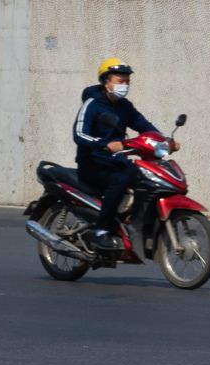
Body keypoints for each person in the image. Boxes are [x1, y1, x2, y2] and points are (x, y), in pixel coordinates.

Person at [73, 57, 179, 250]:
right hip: (93, 163)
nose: (125, 85)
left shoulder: (124, 106)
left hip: (116, 161)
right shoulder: (92, 104)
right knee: (119, 180)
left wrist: (165, 141)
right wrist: (105, 145)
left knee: (147, 179)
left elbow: (143, 125)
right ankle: (101, 231)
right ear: (106, 82)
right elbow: (79, 134)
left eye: (127, 82)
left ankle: (136, 226)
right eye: (120, 81)